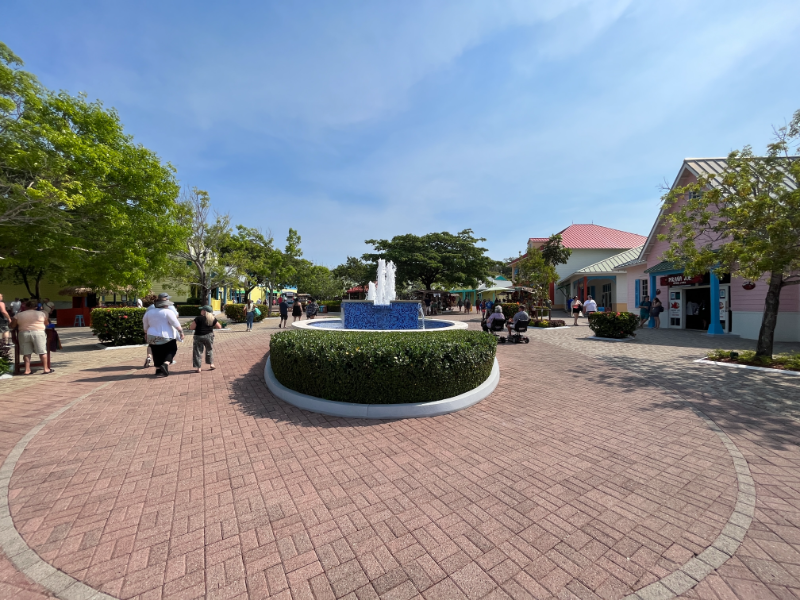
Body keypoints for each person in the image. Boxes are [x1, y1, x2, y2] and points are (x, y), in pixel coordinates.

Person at [142, 295, 184, 376]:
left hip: (152, 335)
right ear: (164, 305)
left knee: (156, 352)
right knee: (172, 349)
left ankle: (158, 370)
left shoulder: (149, 313)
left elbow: (145, 325)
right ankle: (165, 364)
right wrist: (181, 332)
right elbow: (175, 323)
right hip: (166, 335)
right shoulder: (168, 312)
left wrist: (146, 334)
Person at [10, 300, 53, 374]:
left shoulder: (19, 315)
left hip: (24, 333)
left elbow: (12, 325)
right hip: (38, 333)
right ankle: (46, 369)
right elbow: (47, 323)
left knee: (26, 353)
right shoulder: (41, 314)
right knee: (42, 351)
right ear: (36, 306)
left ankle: (27, 370)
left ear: (26, 306)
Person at [189, 305, 221, 372]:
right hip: (209, 336)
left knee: (197, 352)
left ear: (204, 311)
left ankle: (198, 368)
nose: (201, 311)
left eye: (202, 310)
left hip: (198, 336)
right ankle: (211, 364)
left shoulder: (198, 318)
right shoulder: (212, 318)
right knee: (209, 349)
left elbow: (191, 327)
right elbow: (219, 327)